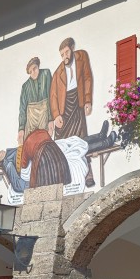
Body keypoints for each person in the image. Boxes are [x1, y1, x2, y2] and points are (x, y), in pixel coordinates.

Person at [49, 37, 95, 186]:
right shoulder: (58, 73)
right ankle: (62, 177)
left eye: (66, 52)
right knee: (61, 144)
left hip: (78, 102)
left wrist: (87, 100)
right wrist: (56, 116)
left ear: (72, 48)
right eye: (62, 55)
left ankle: (88, 174)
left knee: (82, 139)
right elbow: (53, 95)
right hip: (64, 108)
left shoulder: (82, 57)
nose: (65, 57)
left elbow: (88, 78)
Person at [18, 57, 53, 145]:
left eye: (34, 69)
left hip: (44, 113)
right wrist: (21, 128)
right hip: (31, 117)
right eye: (30, 72)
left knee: (44, 141)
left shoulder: (46, 74)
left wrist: (50, 119)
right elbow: (22, 108)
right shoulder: (25, 86)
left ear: (38, 66)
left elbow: (51, 96)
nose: (33, 73)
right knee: (30, 143)